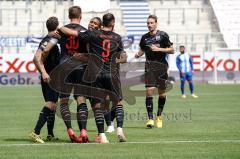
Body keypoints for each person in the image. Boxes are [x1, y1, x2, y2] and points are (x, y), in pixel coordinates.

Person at [59, 13, 127, 143]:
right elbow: (123, 57)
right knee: (118, 103)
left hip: (96, 74)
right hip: (111, 74)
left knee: (97, 106)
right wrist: (115, 62)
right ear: (112, 23)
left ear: (102, 23)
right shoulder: (117, 38)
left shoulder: (93, 34)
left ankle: (102, 135)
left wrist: (59, 27)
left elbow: (74, 34)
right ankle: (119, 130)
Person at [43, 6, 89, 143]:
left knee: (63, 101)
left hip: (63, 68)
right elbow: (89, 53)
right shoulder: (84, 31)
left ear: (69, 16)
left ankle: (69, 129)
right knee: (81, 99)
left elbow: (47, 49)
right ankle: (83, 131)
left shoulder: (60, 31)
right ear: (80, 15)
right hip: (80, 67)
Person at [135, 15, 174, 128]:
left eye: (151, 23)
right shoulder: (144, 38)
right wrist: (138, 54)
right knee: (149, 91)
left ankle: (159, 116)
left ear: (156, 23)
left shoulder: (163, 35)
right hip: (149, 67)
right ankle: (150, 119)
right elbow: (143, 48)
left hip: (161, 67)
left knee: (162, 94)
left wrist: (159, 49)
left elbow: (172, 50)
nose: (149, 25)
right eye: (148, 23)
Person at [29, 16, 60, 143]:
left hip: (49, 76)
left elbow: (36, 59)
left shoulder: (49, 38)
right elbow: (36, 57)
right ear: (56, 27)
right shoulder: (51, 39)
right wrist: (44, 73)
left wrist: (43, 72)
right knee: (51, 104)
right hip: (51, 76)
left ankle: (50, 134)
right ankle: (35, 132)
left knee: (51, 105)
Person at [87, 17, 115, 133]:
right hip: (87, 72)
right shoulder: (87, 35)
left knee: (104, 100)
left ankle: (109, 124)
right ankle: (103, 126)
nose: (92, 24)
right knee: (94, 103)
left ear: (99, 27)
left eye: (95, 23)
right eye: (91, 22)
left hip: (100, 72)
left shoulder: (96, 37)